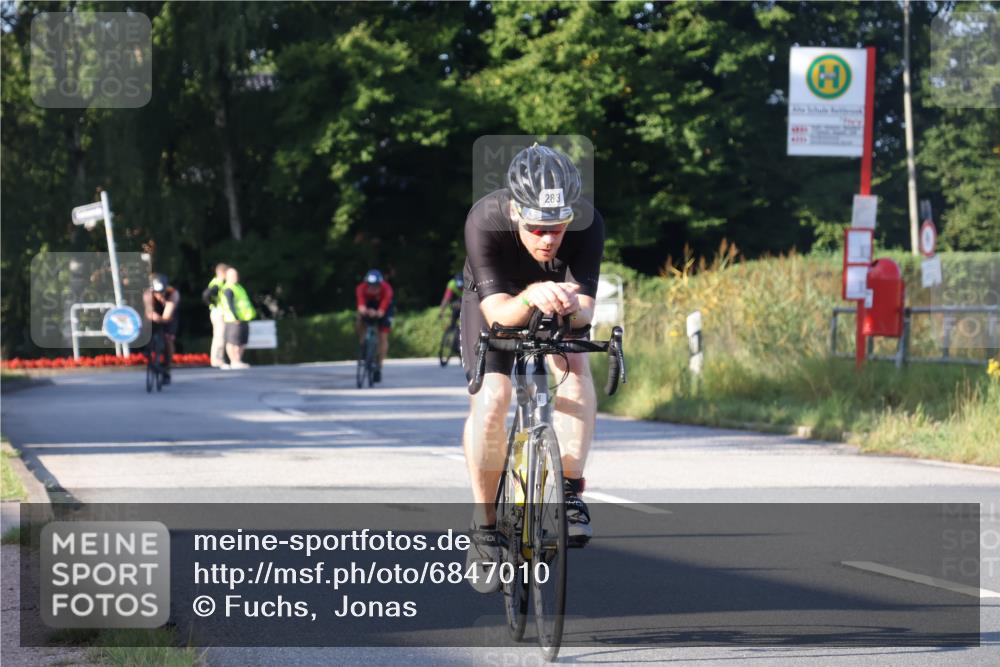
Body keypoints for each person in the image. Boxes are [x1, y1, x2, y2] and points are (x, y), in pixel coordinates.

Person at [460, 143, 605, 592]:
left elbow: (585, 310)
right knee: (493, 397)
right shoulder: (484, 219)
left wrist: (568, 303)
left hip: (553, 301)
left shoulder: (589, 224)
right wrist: (530, 295)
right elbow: (500, 313)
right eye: (538, 227)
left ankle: (568, 491)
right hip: (496, 299)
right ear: (515, 210)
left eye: (558, 228)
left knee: (575, 367)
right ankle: (485, 532)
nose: (548, 238)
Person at [355, 269, 394, 383]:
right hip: (369, 305)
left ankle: (379, 366)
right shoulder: (361, 288)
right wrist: (365, 311)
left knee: (383, 336)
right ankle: (363, 343)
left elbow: (383, 307)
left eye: (375, 285)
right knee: (359, 320)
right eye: (370, 285)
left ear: (380, 284)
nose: (372, 288)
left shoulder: (387, 289)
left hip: (384, 308)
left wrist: (378, 313)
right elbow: (361, 305)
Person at [142, 273, 181, 384]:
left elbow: (167, 315)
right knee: (147, 324)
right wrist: (153, 316)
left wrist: (162, 319)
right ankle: (148, 347)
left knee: (168, 338)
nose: (161, 295)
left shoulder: (173, 293)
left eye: (162, 292)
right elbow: (149, 312)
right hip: (155, 311)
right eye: (157, 293)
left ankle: (167, 369)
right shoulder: (148, 294)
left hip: (170, 314)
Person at [221, 267, 256, 369]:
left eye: (236, 275)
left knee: (242, 341)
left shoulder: (238, 287)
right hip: (233, 319)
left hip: (243, 317)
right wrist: (235, 316)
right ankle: (234, 361)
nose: (236, 277)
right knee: (233, 342)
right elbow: (230, 304)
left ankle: (238, 360)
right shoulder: (228, 288)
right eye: (233, 275)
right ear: (227, 277)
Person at [202, 263, 229, 368]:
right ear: (222, 273)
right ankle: (218, 361)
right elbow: (206, 295)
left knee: (218, 336)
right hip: (218, 312)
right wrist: (212, 305)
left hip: (217, 312)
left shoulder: (217, 282)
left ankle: (216, 360)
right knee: (220, 337)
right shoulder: (218, 283)